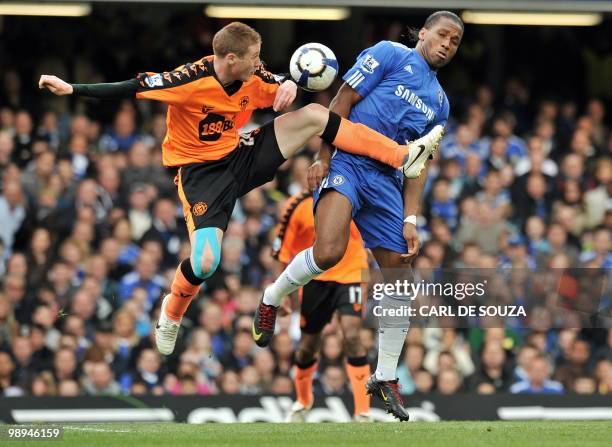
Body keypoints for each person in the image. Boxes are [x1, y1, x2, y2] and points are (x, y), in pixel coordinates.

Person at [39, 22, 442, 357]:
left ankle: (400, 155)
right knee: (206, 262)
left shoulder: (252, 77)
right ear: (231, 58)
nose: (260, 64)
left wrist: (287, 85)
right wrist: (73, 89)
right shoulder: (188, 80)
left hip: (242, 154)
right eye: (254, 57)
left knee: (317, 114)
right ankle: (173, 311)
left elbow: (281, 86)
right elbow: (130, 85)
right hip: (200, 175)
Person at [257, 11, 463, 421]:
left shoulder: (440, 104)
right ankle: (272, 297)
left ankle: (384, 378)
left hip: (388, 182)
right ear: (423, 33)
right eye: (442, 35)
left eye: (455, 41)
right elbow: (342, 100)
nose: (447, 44)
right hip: (349, 161)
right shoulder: (389, 54)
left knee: (400, 271)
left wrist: (411, 220)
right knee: (329, 251)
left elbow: (418, 164)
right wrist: (323, 154)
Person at [272, 190, 371, 421]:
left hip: (351, 274)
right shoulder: (297, 204)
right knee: (307, 345)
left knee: (353, 335)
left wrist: (365, 282)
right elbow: (282, 250)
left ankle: (363, 411)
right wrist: (282, 292)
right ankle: (303, 401)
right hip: (314, 278)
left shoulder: (356, 196)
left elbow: (368, 244)